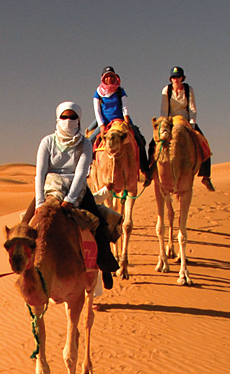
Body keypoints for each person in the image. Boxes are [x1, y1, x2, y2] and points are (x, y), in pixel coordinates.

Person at [35, 101, 121, 288]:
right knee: (26, 225)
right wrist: (39, 202)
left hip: (78, 189)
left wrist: (70, 199)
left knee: (99, 224)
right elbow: (40, 172)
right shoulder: (47, 142)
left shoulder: (85, 144)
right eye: (64, 117)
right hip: (51, 186)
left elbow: (81, 173)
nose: (68, 121)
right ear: (58, 118)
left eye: (72, 117)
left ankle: (106, 266)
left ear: (79, 120)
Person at [158, 66, 215, 191]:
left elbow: (192, 108)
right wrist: (164, 123)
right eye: (173, 77)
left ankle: (206, 176)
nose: (176, 79)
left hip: (185, 121)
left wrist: (192, 123)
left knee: (203, 143)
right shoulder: (166, 90)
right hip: (170, 121)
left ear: (182, 78)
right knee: (154, 145)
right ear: (171, 79)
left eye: (178, 77)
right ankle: (150, 173)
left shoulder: (188, 90)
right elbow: (164, 110)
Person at [92, 66, 151, 178]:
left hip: (120, 120)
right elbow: (97, 110)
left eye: (111, 76)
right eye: (107, 76)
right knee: (90, 141)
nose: (109, 79)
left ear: (115, 77)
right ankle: (88, 169)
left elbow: (125, 107)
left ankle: (145, 169)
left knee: (139, 140)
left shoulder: (120, 91)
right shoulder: (98, 93)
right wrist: (101, 126)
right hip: (105, 121)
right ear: (103, 78)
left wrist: (127, 121)